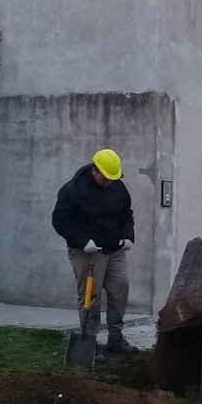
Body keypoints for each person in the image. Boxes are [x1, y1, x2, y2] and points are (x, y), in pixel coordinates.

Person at [52, 148, 137, 354]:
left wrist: (128, 235)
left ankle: (115, 338)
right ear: (95, 171)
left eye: (113, 178)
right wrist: (82, 241)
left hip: (114, 250)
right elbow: (60, 221)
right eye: (106, 178)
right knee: (91, 296)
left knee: (120, 290)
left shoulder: (118, 187)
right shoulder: (73, 191)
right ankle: (89, 342)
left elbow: (126, 213)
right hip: (88, 252)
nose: (110, 182)